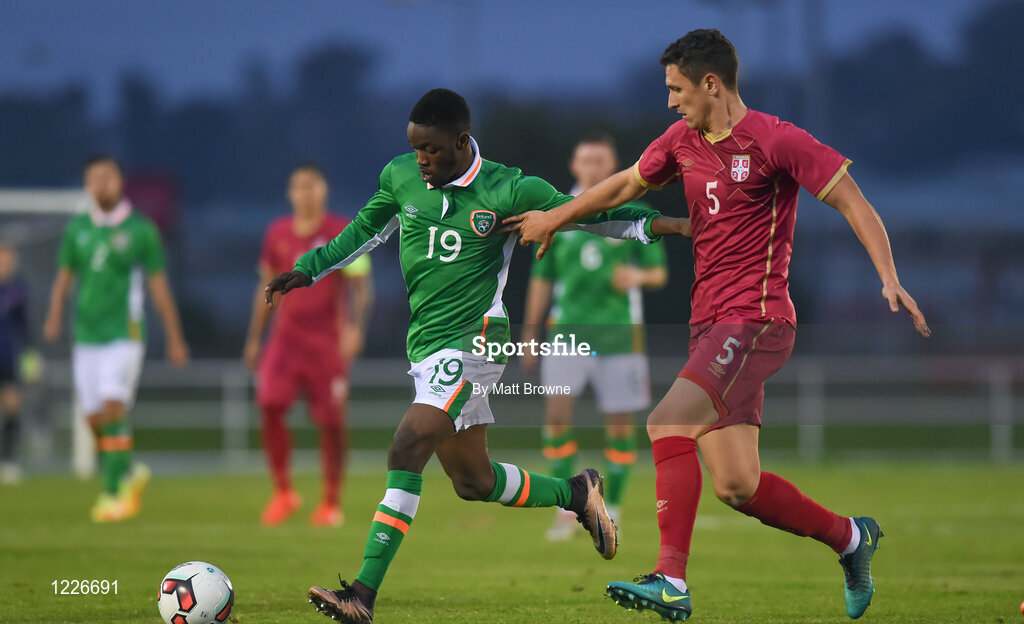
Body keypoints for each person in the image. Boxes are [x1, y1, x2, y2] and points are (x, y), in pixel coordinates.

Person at [507, 29, 930, 621]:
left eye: (677, 89)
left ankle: (671, 581)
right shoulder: (681, 139)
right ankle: (852, 539)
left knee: (666, 423)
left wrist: (888, 277)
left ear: (711, 84)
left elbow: (852, 200)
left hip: (756, 321)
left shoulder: (776, 139)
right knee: (737, 485)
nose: (671, 101)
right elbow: (627, 184)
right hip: (709, 327)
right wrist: (556, 215)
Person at [266, 88, 689, 624]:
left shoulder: (508, 188)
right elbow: (361, 233)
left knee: (406, 447)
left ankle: (362, 597)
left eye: (433, 150)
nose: (421, 160)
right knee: (474, 482)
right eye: (415, 148)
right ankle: (577, 491)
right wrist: (309, 268)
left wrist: (665, 224)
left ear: (463, 142)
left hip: (475, 340)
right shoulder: (401, 177)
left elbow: (589, 212)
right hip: (426, 347)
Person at [521, 133, 670, 540]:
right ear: (574, 166)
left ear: (612, 166)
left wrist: (637, 275)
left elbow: (658, 271)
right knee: (555, 420)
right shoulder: (556, 213)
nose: (591, 166)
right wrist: (531, 333)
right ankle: (570, 508)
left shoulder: (634, 210)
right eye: (585, 159)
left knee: (620, 428)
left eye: (600, 160)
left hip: (620, 337)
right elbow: (541, 279)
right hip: (566, 334)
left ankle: (612, 505)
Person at [44, 154, 189, 522]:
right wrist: (54, 315)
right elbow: (64, 277)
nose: (100, 185)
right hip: (85, 335)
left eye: (106, 177)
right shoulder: (78, 227)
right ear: (86, 185)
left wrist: (174, 336)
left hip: (123, 334)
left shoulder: (141, 230)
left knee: (112, 408)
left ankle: (114, 493)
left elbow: (158, 285)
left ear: (120, 182)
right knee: (93, 419)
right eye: (93, 179)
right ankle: (127, 472)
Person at [243, 163, 373, 528]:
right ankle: (283, 491)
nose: (305, 193)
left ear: (324, 191)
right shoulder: (278, 233)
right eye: (298, 186)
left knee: (332, 421)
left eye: (312, 185)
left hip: (326, 343)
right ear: (290, 193)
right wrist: (254, 339)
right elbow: (266, 288)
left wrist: (355, 328)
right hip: (285, 341)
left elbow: (362, 287)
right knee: (269, 404)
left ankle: (331, 501)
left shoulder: (342, 231)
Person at [0, 242, 30, 484]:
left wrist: (31, 355)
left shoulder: (17, 290)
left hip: (7, 358)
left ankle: (9, 461)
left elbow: (24, 326)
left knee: (12, 406)